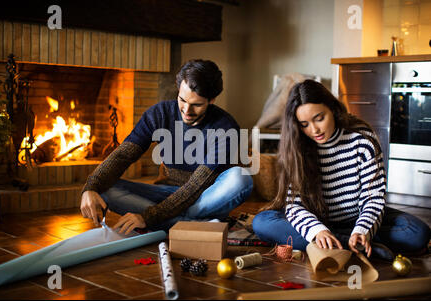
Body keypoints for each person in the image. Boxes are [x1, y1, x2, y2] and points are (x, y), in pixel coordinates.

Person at [252, 79, 430, 260]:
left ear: (332, 109)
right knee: (262, 223)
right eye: (304, 124)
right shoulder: (297, 145)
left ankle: (346, 243)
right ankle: (354, 246)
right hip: (318, 222)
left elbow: (373, 197)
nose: (314, 130)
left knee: (417, 233)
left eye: (319, 118)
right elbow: (294, 205)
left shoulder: (362, 139)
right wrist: (318, 231)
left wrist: (363, 230)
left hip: (357, 217)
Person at [81, 59, 253, 234]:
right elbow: (123, 155)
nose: (186, 110)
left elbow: (196, 186)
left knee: (241, 177)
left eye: (197, 105)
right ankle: (196, 225)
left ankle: (171, 223)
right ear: (178, 90)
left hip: (204, 197)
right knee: (104, 189)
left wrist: (147, 217)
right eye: (182, 100)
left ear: (212, 100)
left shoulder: (225, 127)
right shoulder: (159, 114)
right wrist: (91, 186)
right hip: (164, 194)